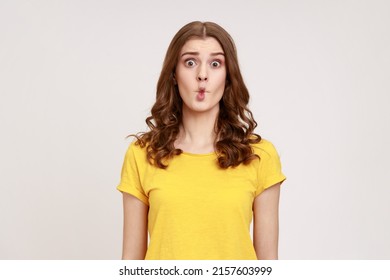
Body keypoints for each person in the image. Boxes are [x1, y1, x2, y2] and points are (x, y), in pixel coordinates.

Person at [117, 21, 286, 260]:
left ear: (228, 76)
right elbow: (130, 264)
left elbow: (269, 265)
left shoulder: (260, 155)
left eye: (215, 64)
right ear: (174, 74)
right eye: (190, 62)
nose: (202, 75)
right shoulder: (142, 153)